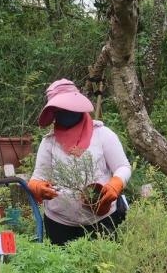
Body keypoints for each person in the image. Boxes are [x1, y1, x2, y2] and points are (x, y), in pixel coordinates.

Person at [28, 79, 132, 245]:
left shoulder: (103, 135)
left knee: (103, 268)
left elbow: (123, 167)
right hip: (59, 225)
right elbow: (37, 177)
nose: (63, 112)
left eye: (66, 107)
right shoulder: (49, 142)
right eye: (58, 109)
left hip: (101, 221)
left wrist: (116, 183)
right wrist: (37, 187)